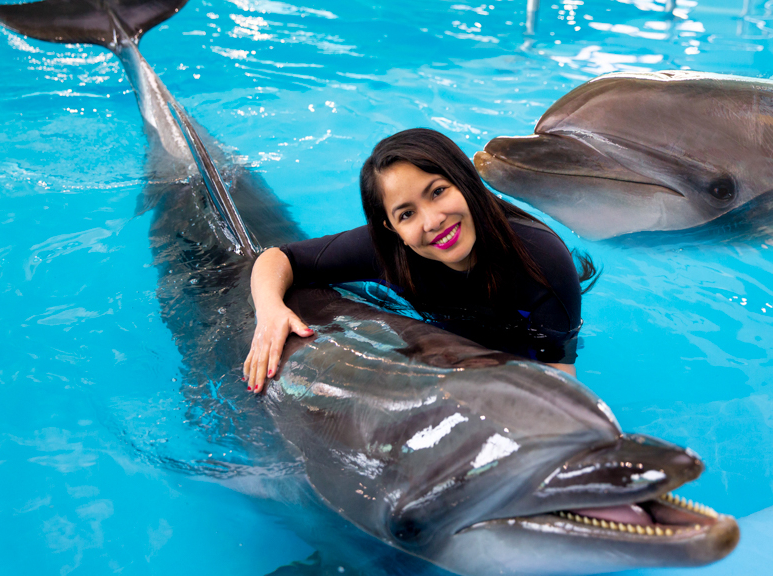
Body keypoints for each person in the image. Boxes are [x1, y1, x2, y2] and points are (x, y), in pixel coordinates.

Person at [243, 128, 596, 392]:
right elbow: (279, 257)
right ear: (391, 228)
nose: (432, 222)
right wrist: (270, 311)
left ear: (465, 181)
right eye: (407, 214)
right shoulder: (386, 251)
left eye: (438, 192)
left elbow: (558, 371)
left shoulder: (542, 262)